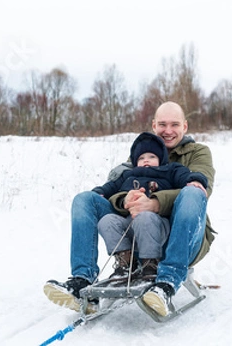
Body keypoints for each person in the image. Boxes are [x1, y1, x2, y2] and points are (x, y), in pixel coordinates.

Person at [44, 101, 216, 317]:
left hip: (182, 237)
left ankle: (167, 282)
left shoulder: (198, 153)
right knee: (84, 200)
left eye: (175, 124)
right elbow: (115, 186)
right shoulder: (140, 154)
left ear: (185, 126)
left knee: (193, 192)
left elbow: (202, 188)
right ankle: (82, 281)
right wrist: (126, 199)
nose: (168, 130)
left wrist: (154, 202)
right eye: (163, 124)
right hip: (138, 233)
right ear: (154, 125)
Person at [93, 132, 208, 281]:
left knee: (144, 217)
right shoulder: (127, 175)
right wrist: (99, 192)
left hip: (158, 225)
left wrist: (196, 179)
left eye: (152, 157)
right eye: (141, 158)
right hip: (130, 224)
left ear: (161, 159)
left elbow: (186, 176)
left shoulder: (170, 170)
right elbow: (110, 187)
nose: (146, 160)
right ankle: (126, 264)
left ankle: (150, 265)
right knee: (107, 221)